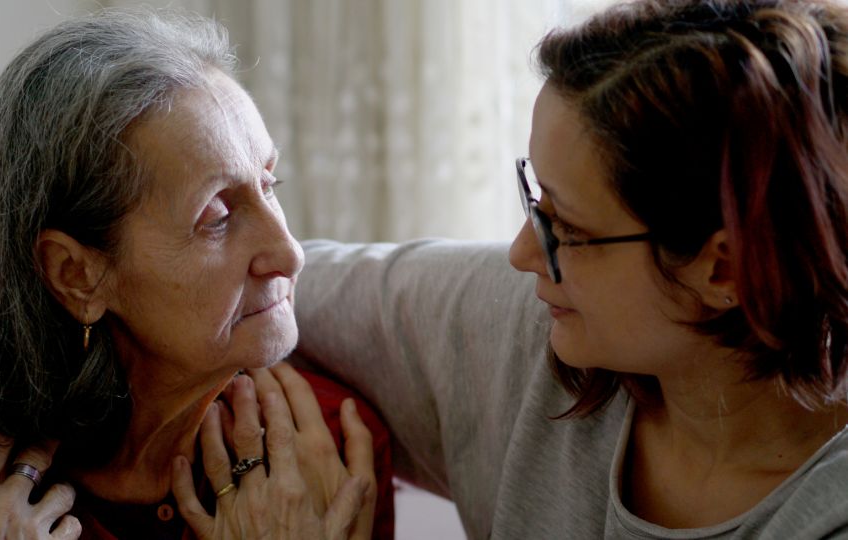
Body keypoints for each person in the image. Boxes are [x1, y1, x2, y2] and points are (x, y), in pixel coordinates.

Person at [286, 0, 848, 538]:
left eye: (570, 231)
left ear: (724, 269)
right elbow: (265, 289)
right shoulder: (529, 326)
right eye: (536, 202)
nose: (522, 254)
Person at [0, 8, 395, 540]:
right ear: (77, 275)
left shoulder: (328, 449)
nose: (290, 253)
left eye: (269, 185)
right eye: (218, 215)